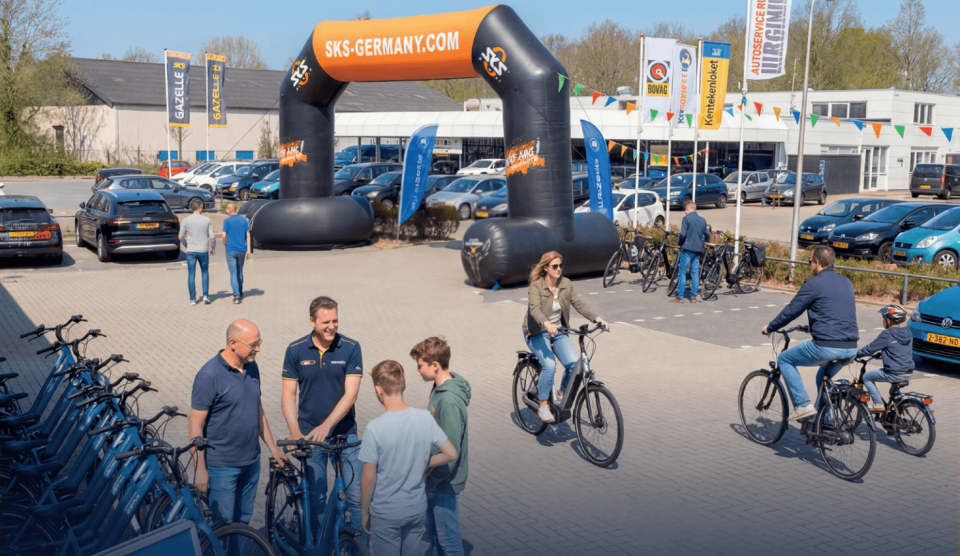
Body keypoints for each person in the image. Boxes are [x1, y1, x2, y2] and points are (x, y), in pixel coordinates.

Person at [189, 319, 287, 525]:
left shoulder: (252, 367)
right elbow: (195, 425)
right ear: (233, 343)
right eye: (253, 345)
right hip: (222, 467)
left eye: (259, 342)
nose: (258, 349)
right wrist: (200, 469)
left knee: (243, 523)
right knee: (223, 526)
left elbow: (258, 410)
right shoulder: (208, 375)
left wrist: (272, 448)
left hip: (251, 463)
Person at [281, 296, 364, 535]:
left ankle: (355, 547)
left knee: (353, 497)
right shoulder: (295, 350)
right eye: (326, 321)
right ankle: (318, 546)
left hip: (344, 436)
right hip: (309, 435)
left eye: (335, 320)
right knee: (316, 499)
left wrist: (327, 425)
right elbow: (288, 394)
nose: (332, 326)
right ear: (312, 321)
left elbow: (351, 395)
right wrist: (295, 431)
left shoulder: (351, 347)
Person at [359, 360, 457, 556]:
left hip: (386, 513)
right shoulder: (424, 418)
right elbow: (451, 453)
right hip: (415, 510)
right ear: (404, 384)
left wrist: (364, 512)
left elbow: (369, 477)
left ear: (378, 390)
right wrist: (425, 462)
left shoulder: (374, 428)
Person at [762, 246, 859, 421]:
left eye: (810, 262)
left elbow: (792, 310)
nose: (810, 266)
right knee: (823, 377)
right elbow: (834, 310)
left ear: (817, 263)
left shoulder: (813, 283)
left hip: (827, 346)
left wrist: (770, 327)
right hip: (851, 348)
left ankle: (802, 404)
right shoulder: (846, 282)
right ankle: (825, 422)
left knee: (784, 359)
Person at [522, 251, 609, 424]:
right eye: (555, 266)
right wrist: (546, 323)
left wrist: (597, 318)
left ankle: (561, 393)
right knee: (549, 365)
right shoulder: (536, 286)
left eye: (561, 266)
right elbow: (535, 309)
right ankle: (543, 405)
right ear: (546, 267)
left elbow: (579, 303)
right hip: (537, 332)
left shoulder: (566, 284)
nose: (559, 269)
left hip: (559, 331)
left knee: (573, 365)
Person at [411, 338, 470, 556]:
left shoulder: (448, 401)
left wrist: (430, 479)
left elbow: (451, 451)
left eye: (420, 365)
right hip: (438, 479)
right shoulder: (439, 389)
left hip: (443, 481)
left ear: (435, 365)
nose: (417, 370)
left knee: (448, 541)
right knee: (436, 537)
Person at [856, 305, 914, 412]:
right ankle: (899, 408)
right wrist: (883, 354)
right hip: (908, 372)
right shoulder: (908, 332)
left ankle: (878, 403)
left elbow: (869, 349)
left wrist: (855, 354)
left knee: (866, 377)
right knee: (893, 390)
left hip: (894, 373)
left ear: (888, 320)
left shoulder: (887, 334)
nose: (883, 321)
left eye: (883, 318)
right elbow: (898, 349)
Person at [671, 199, 711, 304]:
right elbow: (708, 234)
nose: (685, 212)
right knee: (695, 273)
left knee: (682, 272)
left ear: (688, 209)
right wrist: (706, 241)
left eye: (685, 210)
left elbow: (683, 234)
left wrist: (680, 243)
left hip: (687, 249)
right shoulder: (702, 220)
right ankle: (693, 297)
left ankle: (680, 297)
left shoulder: (686, 219)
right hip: (697, 250)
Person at [179, 202, 215, 305]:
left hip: (191, 251)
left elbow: (181, 236)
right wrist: (212, 248)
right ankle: (205, 295)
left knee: (191, 274)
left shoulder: (186, 220)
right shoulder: (206, 220)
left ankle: (192, 299)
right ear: (199, 208)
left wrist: (187, 245)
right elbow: (212, 236)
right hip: (203, 250)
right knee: (204, 272)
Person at [222, 203, 251, 304]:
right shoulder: (244, 220)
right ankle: (241, 292)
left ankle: (236, 294)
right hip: (242, 250)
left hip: (231, 250)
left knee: (233, 273)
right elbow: (248, 235)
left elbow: (224, 236)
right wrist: (248, 250)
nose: (226, 210)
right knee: (240, 271)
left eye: (227, 209)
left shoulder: (226, 221)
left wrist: (225, 246)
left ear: (230, 210)